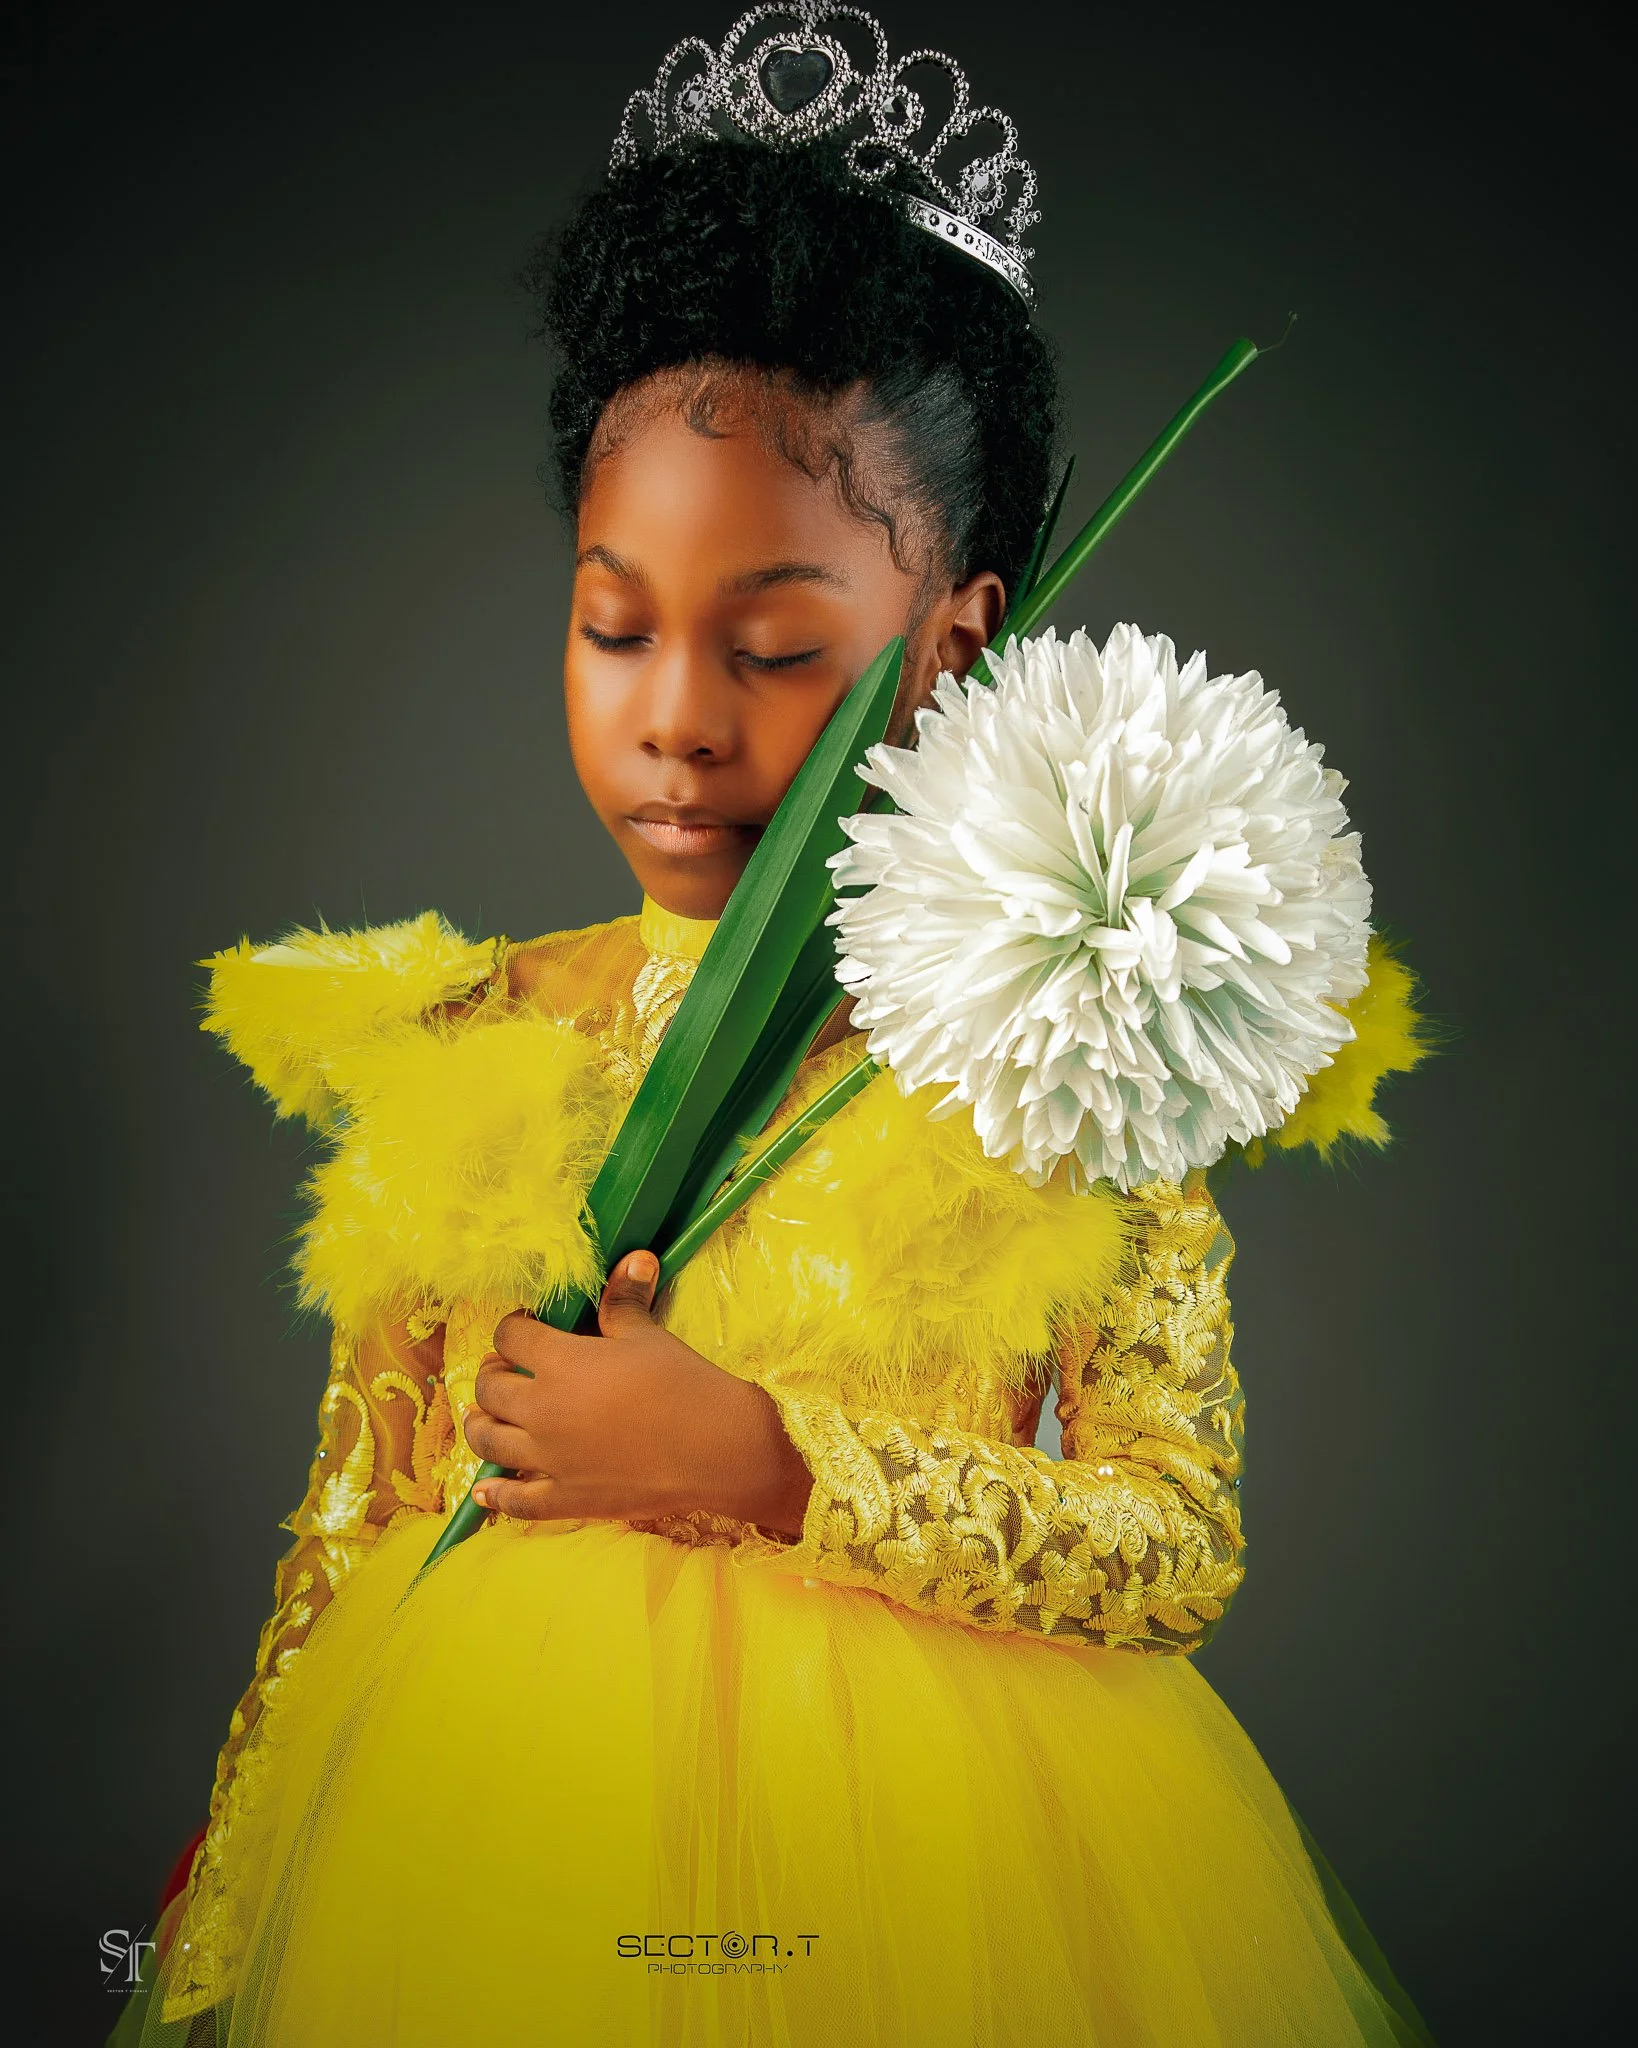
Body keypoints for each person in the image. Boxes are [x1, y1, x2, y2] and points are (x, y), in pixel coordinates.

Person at [113, 14, 1433, 2045]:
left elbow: (1173, 1537)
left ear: (953, 639)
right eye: (613, 622)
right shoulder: (481, 1034)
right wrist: (234, 1897)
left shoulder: (1051, 1046)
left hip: (944, 1885)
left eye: (778, 644)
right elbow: (353, 1522)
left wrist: (773, 1465)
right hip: (493, 1844)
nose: (673, 719)